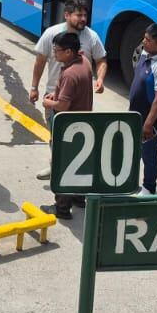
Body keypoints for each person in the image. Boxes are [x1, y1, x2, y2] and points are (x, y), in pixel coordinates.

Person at [28, 0, 108, 180]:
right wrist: (34, 87)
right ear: (67, 15)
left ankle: (67, 176)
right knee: (56, 137)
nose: (83, 19)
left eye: (85, 15)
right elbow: (40, 61)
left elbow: (101, 60)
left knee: (75, 140)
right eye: (78, 15)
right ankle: (55, 166)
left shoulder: (91, 37)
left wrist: (100, 79)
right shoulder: (52, 34)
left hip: (76, 101)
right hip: (54, 95)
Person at [39, 31, 93, 219]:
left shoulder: (70, 74)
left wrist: (49, 103)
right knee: (80, 164)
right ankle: (79, 198)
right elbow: (72, 93)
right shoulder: (84, 61)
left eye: (57, 50)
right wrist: (58, 94)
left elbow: (62, 106)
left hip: (68, 127)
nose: (54, 54)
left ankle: (61, 207)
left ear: (69, 52)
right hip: (83, 125)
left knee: (63, 166)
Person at [128, 23, 157, 195]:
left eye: (148, 40)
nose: (143, 41)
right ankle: (128, 182)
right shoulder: (148, 52)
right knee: (132, 151)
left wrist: (148, 124)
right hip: (135, 114)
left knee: (148, 155)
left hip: (151, 121)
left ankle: (149, 187)